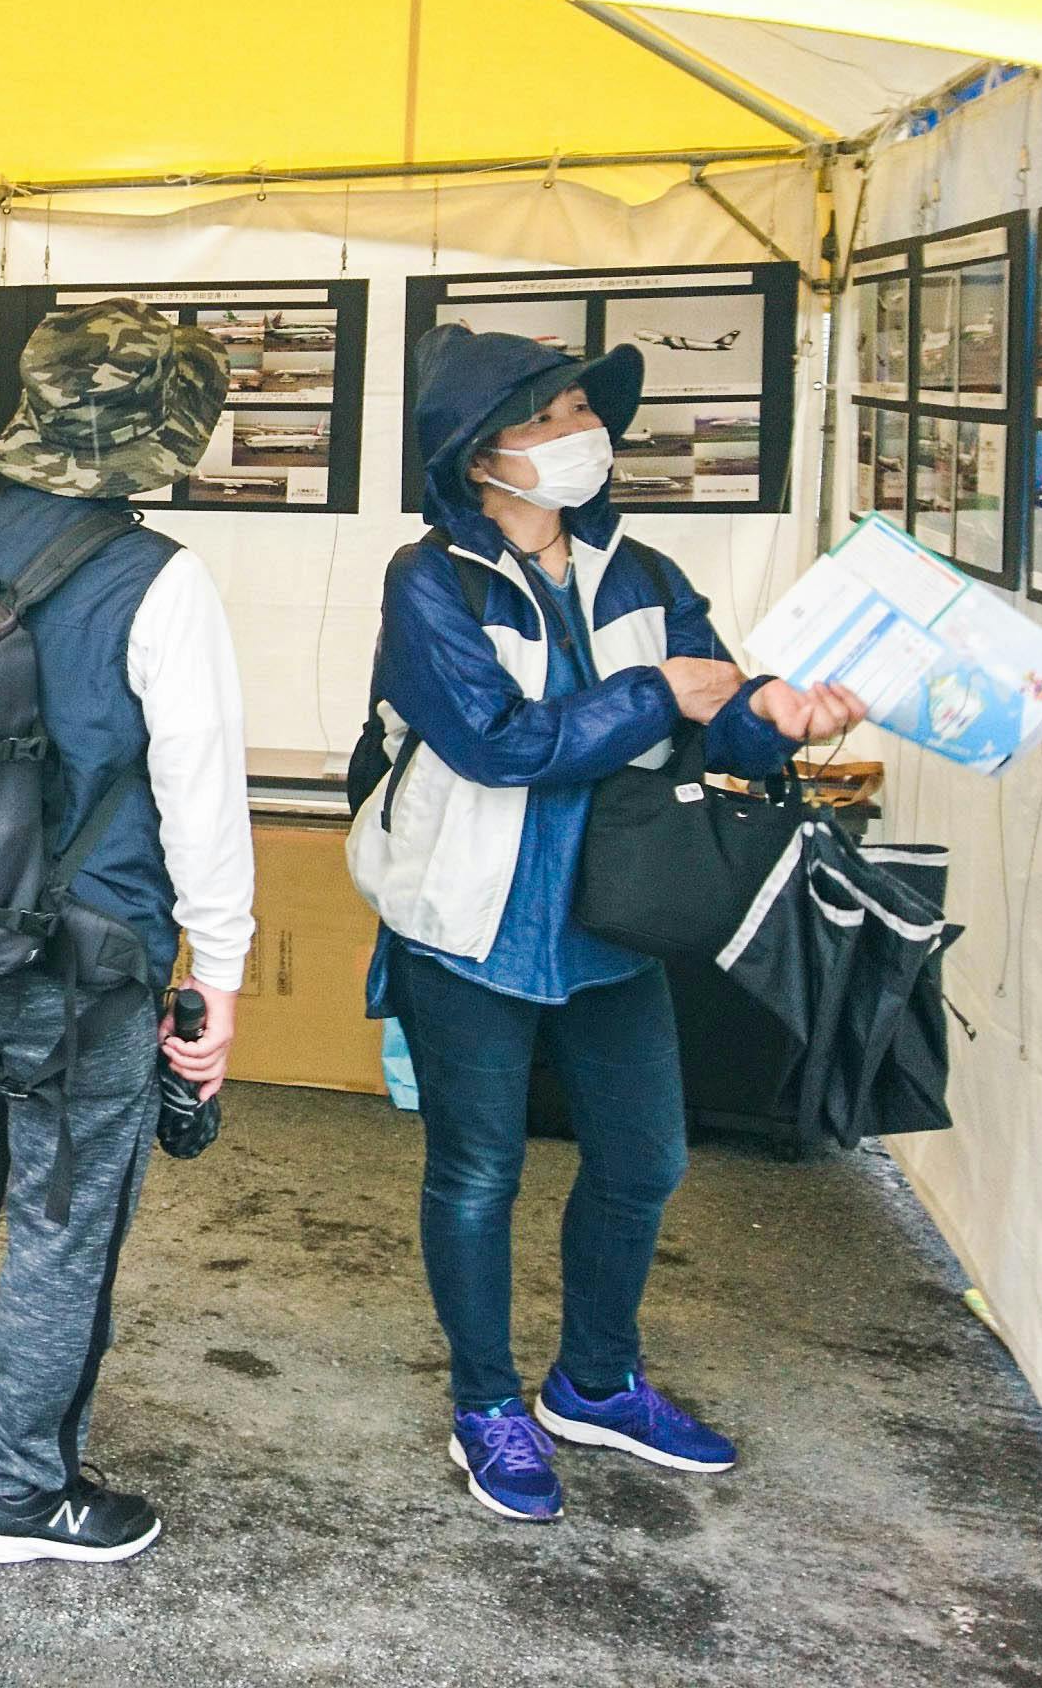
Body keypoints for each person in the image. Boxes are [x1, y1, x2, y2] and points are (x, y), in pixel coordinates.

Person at [353, 324, 868, 1523]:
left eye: (584, 409)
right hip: (469, 920)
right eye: (546, 417)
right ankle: (486, 1405)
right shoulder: (429, 579)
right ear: (479, 454)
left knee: (645, 1161)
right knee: (477, 1173)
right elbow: (497, 743)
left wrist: (775, 719)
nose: (579, 432)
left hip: (618, 912)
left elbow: (715, 714)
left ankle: (594, 1382)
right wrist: (655, 693)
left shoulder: (646, 572)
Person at [0, 300, 254, 1568]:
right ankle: (21, 1490)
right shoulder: (156, 577)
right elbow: (202, 793)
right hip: (89, 958)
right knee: (65, 1210)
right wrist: (222, 972)